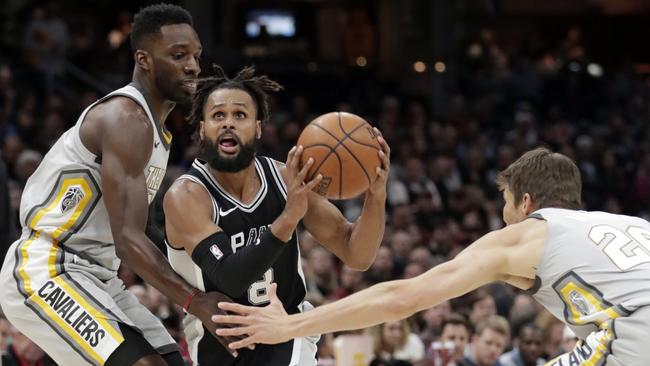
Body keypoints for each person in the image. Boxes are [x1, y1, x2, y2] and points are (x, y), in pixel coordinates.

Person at [215, 147, 650, 366]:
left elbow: (403, 298)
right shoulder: (631, 225)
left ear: (526, 203)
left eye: (505, 203)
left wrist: (288, 325)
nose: (503, 215)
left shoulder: (527, 236)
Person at [0, 4, 237, 365]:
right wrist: (193, 299)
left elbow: (145, 230)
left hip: (98, 275)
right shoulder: (125, 119)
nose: (193, 66)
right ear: (144, 59)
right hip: (48, 267)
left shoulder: (156, 131)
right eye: (178, 55)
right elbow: (128, 240)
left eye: (196, 55)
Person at [163, 65, 390, 365]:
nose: (228, 123)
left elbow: (357, 254)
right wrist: (288, 217)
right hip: (218, 344)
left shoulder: (285, 179)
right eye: (218, 115)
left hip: (287, 329)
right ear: (203, 129)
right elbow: (230, 279)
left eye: (240, 115)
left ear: (258, 128)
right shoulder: (187, 197)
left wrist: (376, 196)